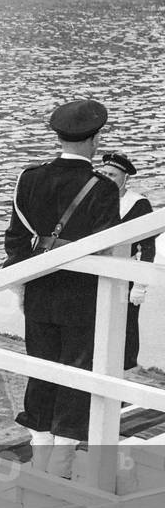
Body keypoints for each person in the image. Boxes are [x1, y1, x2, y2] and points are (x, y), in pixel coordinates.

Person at [5, 99, 120, 477]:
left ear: (58, 136)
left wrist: (25, 283)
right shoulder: (102, 187)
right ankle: (62, 465)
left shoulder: (29, 177)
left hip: (38, 290)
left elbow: (16, 240)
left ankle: (40, 458)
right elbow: (107, 248)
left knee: (41, 369)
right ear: (95, 140)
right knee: (77, 373)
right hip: (80, 295)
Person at [98, 151, 157, 370]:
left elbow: (148, 248)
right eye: (103, 173)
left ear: (125, 178)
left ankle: (128, 368)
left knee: (127, 325)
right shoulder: (95, 200)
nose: (107, 179)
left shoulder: (138, 205)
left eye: (112, 175)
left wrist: (140, 284)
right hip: (99, 270)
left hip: (126, 273)